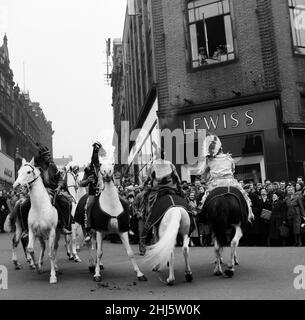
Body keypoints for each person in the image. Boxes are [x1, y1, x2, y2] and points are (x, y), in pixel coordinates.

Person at [18, 143, 72, 234]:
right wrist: (44, 190)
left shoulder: (53, 166)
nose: (49, 156)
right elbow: (32, 181)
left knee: (65, 203)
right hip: (38, 193)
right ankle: (26, 230)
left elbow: (60, 178)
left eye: (49, 154)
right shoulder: (35, 168)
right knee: (23, 206)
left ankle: (64, 226)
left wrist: (59, 187)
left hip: (54, 191)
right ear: (42, 157)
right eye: (47, 155)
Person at [199, 134, 254, 222]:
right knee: (245, 198)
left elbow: (204, 174)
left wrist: (209, 178)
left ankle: (202, 217)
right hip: (230, 182)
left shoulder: (208, 160)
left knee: (204, 200)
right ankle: (249, 215)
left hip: (216, 184)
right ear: (220, 147)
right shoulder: (229, 158)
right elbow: (233, 170)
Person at [79, 141, 103, 242]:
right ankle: (88, 231)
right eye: (95, 152)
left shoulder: (103, 167)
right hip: (93, 193)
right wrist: (88, 180)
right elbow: (81, 183)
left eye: (97, 153)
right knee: (88, 207)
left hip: (104, 192)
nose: (96, 156)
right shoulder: (88, 170)